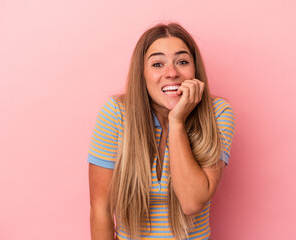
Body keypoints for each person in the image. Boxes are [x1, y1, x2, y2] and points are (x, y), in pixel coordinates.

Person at [88, 22, 235, 240]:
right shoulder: (116, 114)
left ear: (195, 70)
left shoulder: (218, 113)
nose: (172, 73)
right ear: (143, 74)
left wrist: (177, 122)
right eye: (158, 64)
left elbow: (192, 202)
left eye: (182, 62)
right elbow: (101, 208)